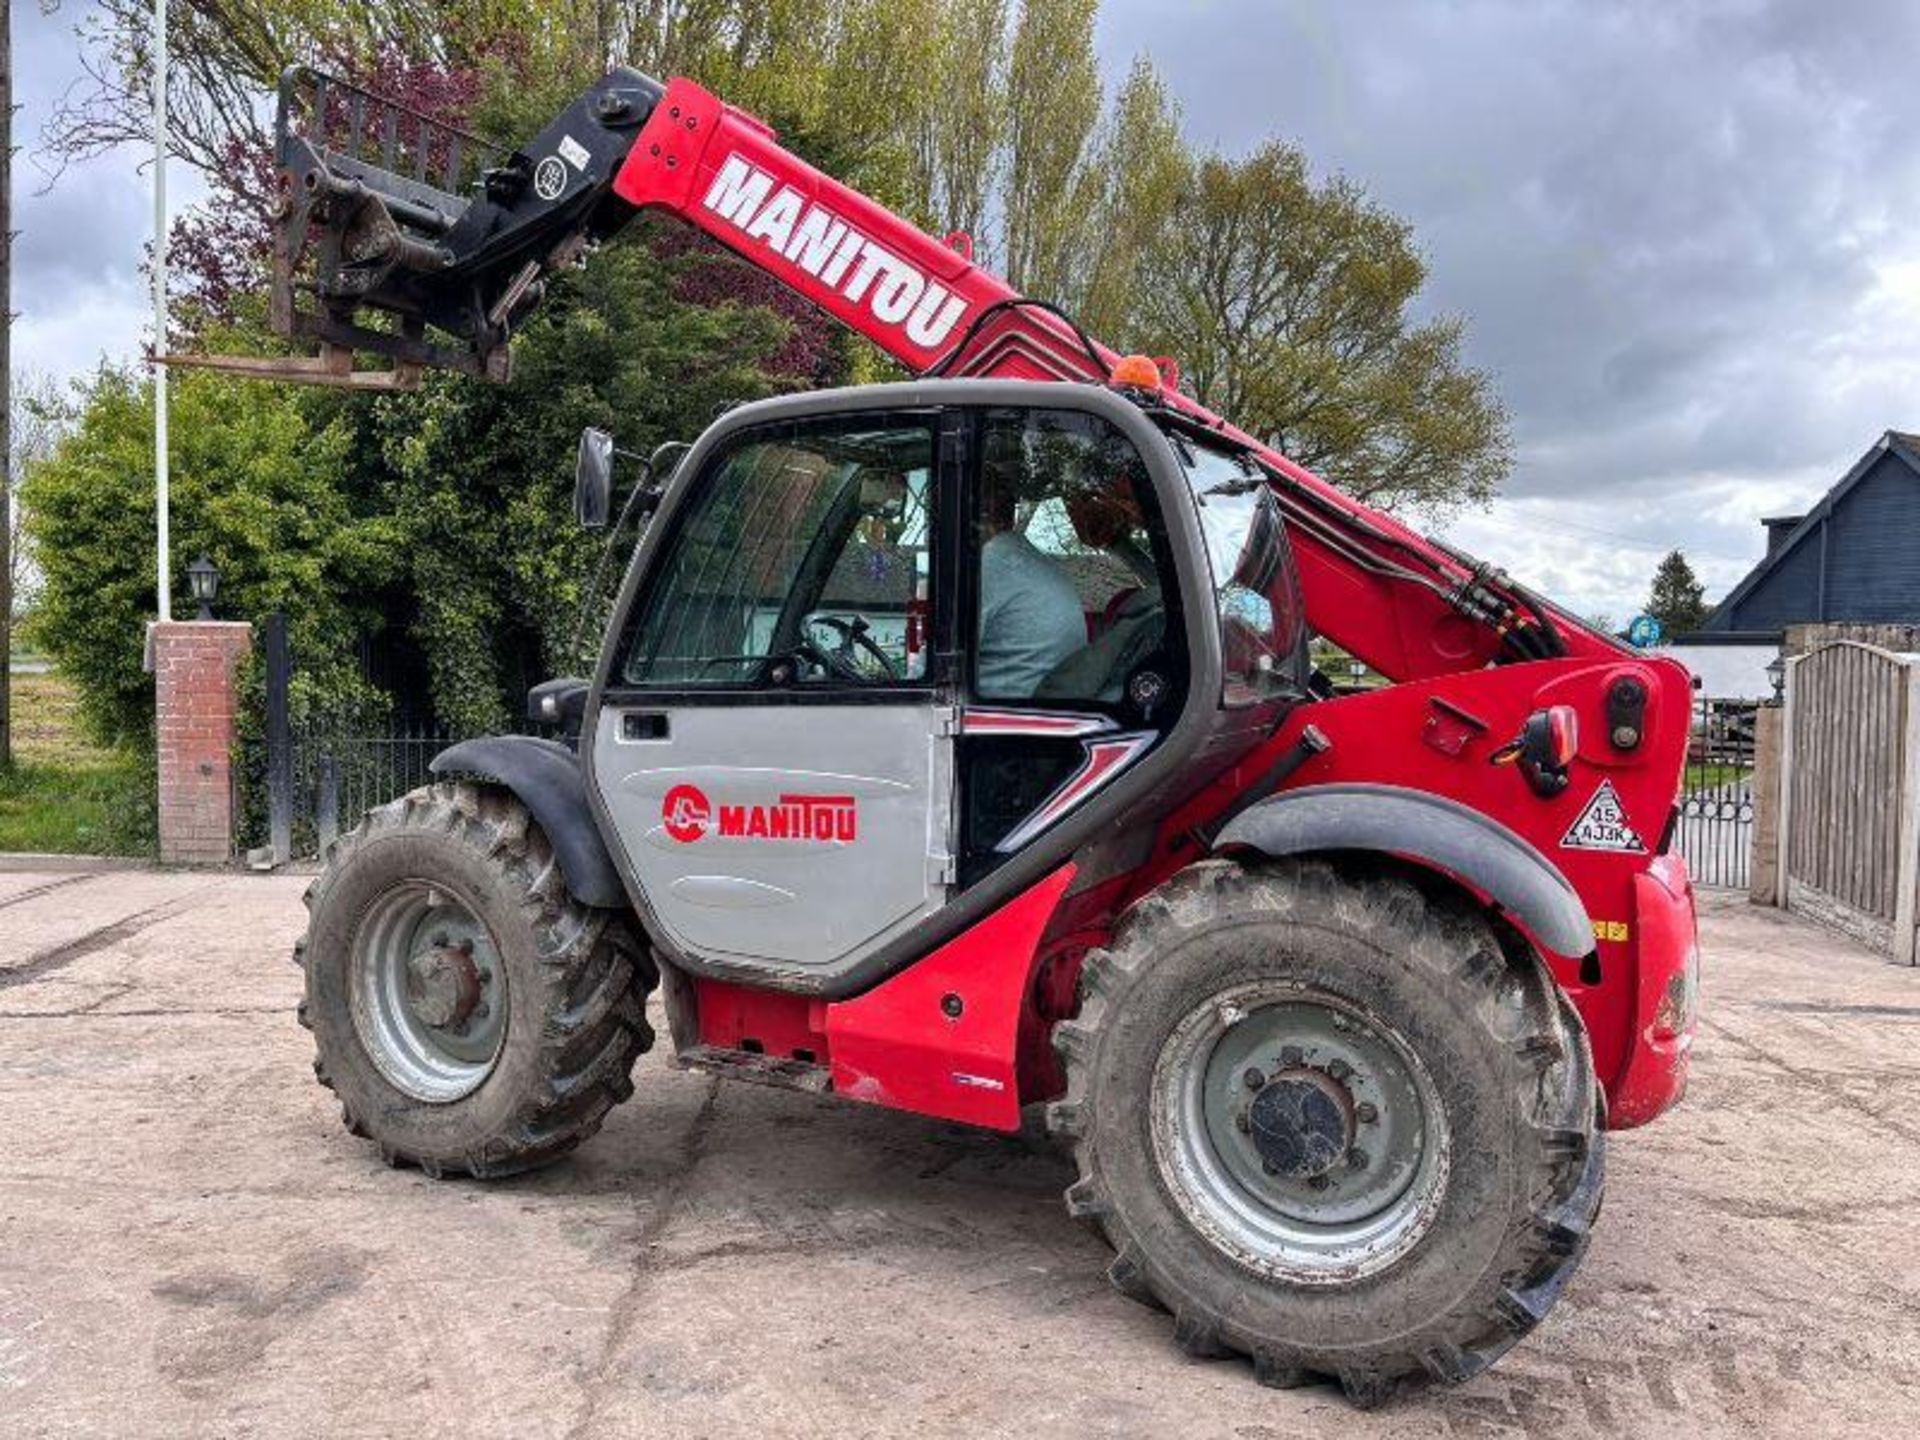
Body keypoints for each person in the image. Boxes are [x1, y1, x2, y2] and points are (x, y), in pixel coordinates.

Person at [976, 445, 1086, 700]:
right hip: (1045, 702)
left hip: (1000, 719)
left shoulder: (992, 565)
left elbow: (937, 658)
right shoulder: (1026, 559)